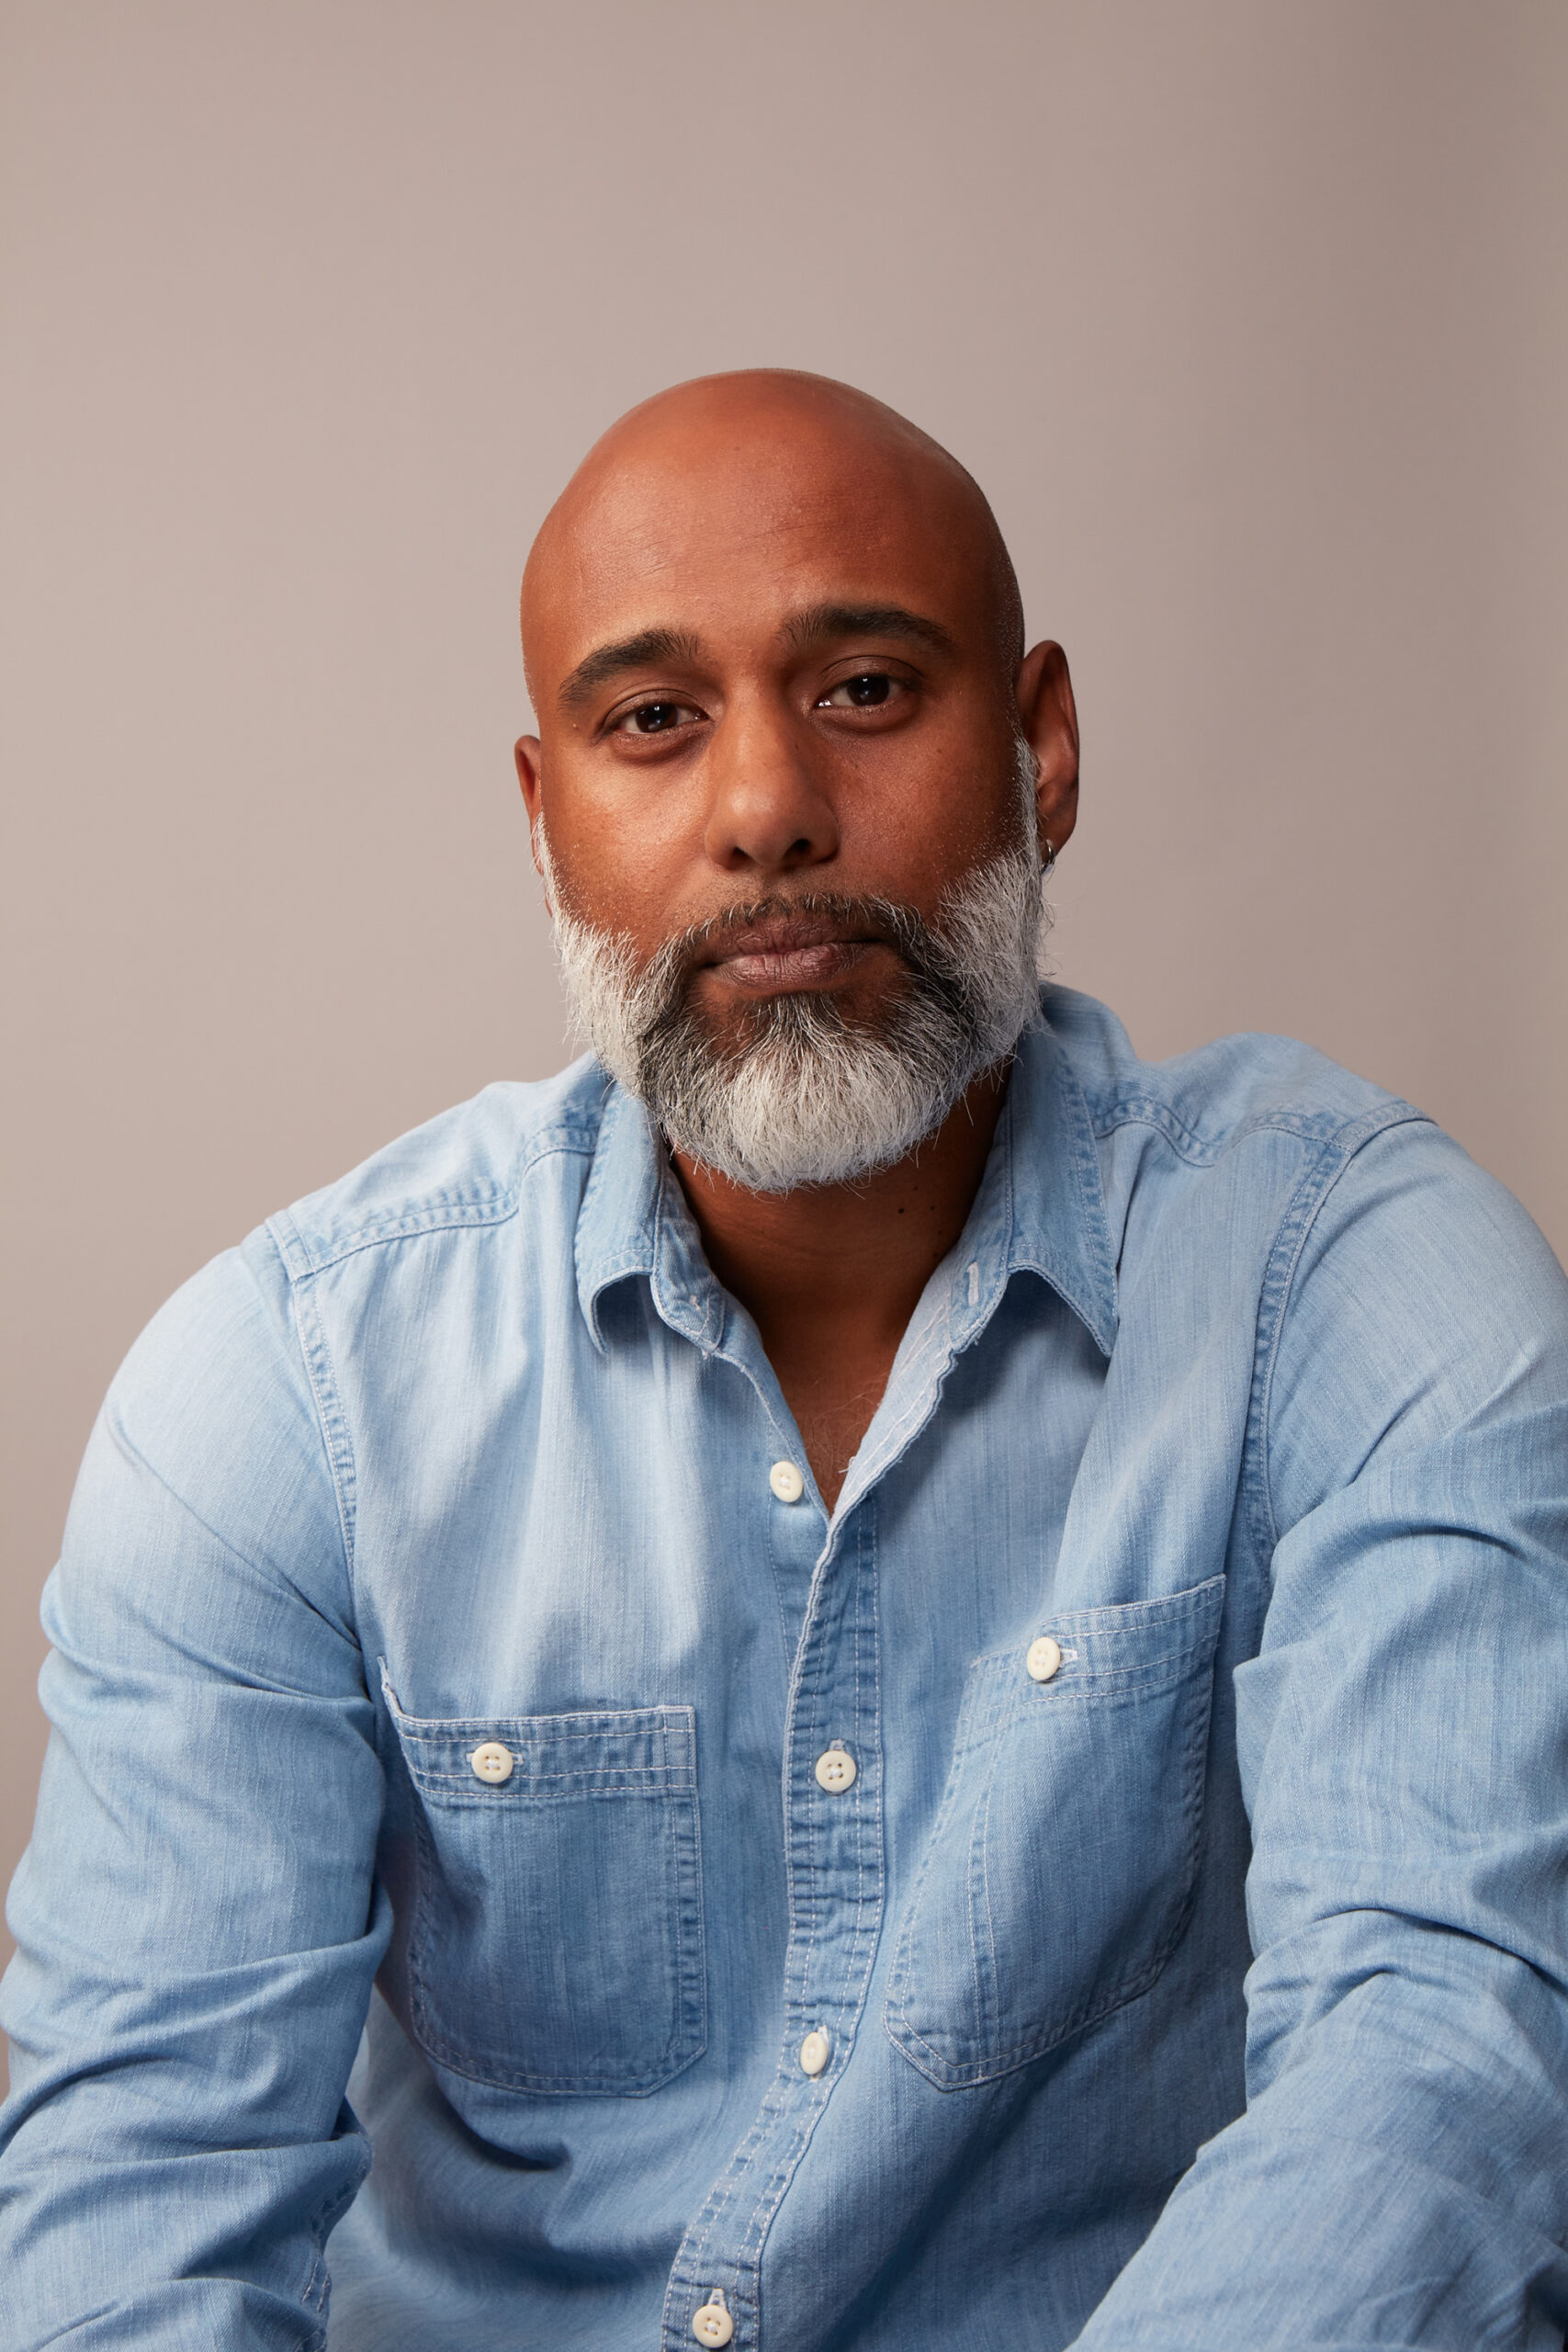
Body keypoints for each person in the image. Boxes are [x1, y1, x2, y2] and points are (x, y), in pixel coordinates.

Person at [3, 369, 1566, 2352]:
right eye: (650, 722)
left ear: (1041, 747)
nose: (763, 812)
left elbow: (1444, 2074)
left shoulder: (1347, 1282)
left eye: (864, 689)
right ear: (545, 815)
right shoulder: (281, 1390)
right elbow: (138, 2212)